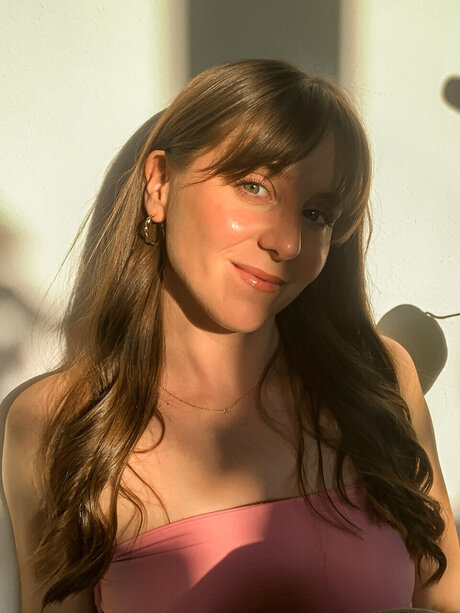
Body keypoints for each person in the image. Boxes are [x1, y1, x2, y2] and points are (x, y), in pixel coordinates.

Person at [2, 58, 460, 613]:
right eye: (255, 186)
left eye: (316, 213)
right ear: (159, 185)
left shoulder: (380, 379)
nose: (288, 242)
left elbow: (447, 597)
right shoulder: (60, 422)